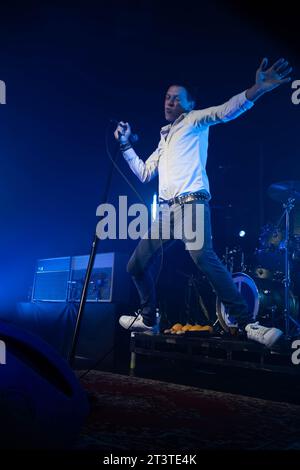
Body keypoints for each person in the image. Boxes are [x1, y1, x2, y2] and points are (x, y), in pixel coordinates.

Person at [114, 57, 292, 348]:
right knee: (135, 266)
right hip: (167, 210)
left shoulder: (195, 120)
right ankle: (148, 318)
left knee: (202, 257)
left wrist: (258, 88)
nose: (169, 102)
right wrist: (125, 144)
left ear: (188, 103)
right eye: (167, 97)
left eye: (176, 98)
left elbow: (226, 110)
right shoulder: (164, 137)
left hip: (192, 204)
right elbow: (145, 173)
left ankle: (248, 323)